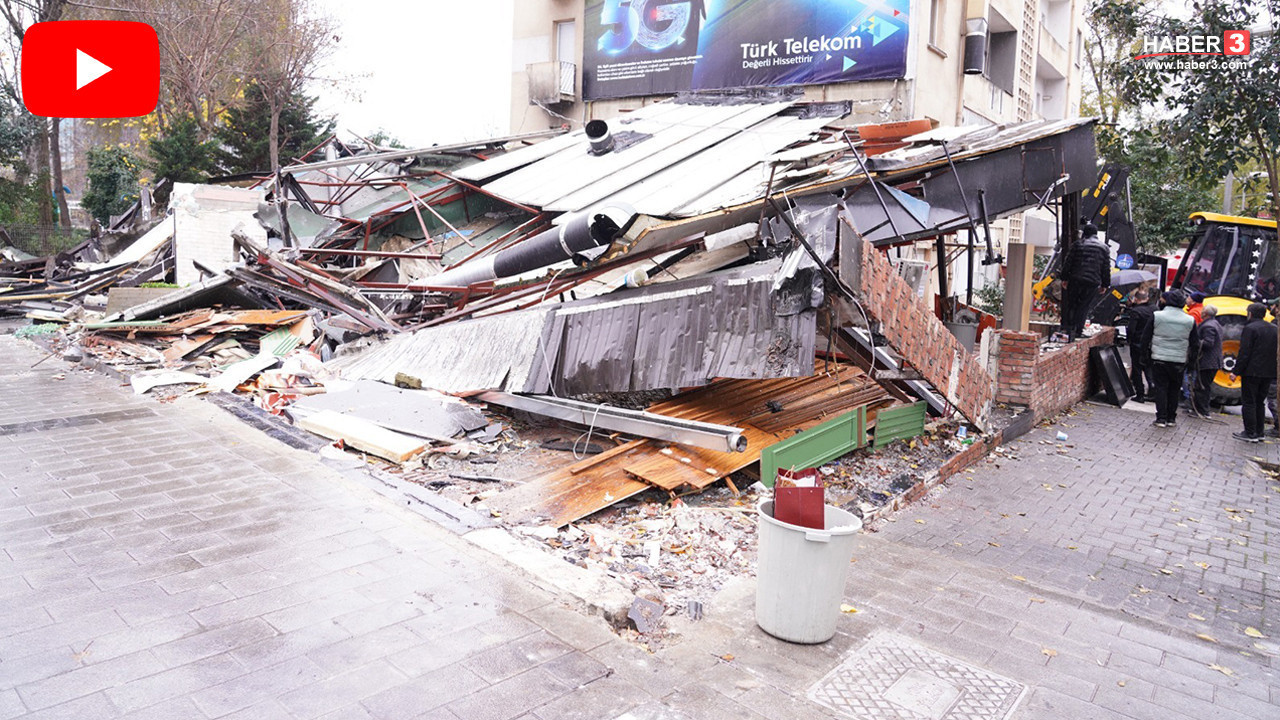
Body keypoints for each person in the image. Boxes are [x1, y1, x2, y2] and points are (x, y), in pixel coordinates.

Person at [1145, 289, 1195, 427]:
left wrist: (1145, 356)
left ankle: (1161, 418)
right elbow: (1195, 343)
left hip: (1159, 357)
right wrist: (1191, 362)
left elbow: (1146, 337)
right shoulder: (1190, 320)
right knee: (1174, 389)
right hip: (1178, 359)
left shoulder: (1157, 316)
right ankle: (1171, 418)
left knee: (1161, 388)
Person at [1229, 302, 1278, 442]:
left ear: (1250, 313)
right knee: (1260, 402)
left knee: (1249, 402)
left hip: (1252, 372)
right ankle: (1259, 432)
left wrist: (1236, 371)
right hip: (1268, 372)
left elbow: (1245, 352)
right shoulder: (1274, 328)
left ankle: (1250, 433)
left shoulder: (1250, 328)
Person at [1062, 222, 1111, 341]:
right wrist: (1105, 284)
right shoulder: (1104, 248)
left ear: (1085, 233)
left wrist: (1064, 278)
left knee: (1072, 305)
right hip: (1092, 282)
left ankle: (1068, 330)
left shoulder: (1077, 244)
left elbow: (1068, 262)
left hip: (1075, 279)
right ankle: (1078, 331)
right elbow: (1105, 268)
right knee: (1084, 306)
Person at [1189, 304, 1222, 418]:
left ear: (1205, 313)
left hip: (1207, 362)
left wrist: (1195, 342)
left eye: (1203, 311)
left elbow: (1208, 343)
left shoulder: (1209, 326)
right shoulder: (1215, 323)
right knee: (1203, 385)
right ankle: (1201, 409)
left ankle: (1202, 411)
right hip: (1212, 362)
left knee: (1202, 386)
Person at [1125, 288, 1156, 402]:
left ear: (1136, 299)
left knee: (1137, 369)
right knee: (1149, 368)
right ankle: (1152, 390)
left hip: (1138, 343)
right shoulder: (1154, 309)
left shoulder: (1136, 311)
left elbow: (1131, 329)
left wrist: (1129, 340)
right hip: (1151, 343)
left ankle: (1140, 394)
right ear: (1147, 298)